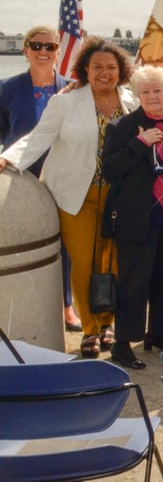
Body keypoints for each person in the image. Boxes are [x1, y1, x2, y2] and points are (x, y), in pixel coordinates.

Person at [0, 37, 137, 358]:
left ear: (121, 71)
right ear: (85, 69)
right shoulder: (66, 101)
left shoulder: (131, 100)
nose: (104, 73)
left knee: (114, 260)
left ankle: (108, 323)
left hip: (120, 195)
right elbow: (38, 138)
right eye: (97, 67)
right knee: (85, 261)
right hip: (76, 195)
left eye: (111, 67)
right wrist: (7, 158)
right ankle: (90, 328)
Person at [101, 65, 163, 368]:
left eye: (158, 91)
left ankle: (158, 334)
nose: (152, 96)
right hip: (137, 221)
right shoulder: (125, 126)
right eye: (146, 92)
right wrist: (139, 145)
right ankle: (123, 344)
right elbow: (110, 170)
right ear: (137, 95)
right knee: (133, 283)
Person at [0, 27, 76, 332]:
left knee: (65, 240)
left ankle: (66, 305)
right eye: (36, 45)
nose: (43, 51)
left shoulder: (72, 89)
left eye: (49, 45)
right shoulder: (7, 88)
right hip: (20, 176)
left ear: (58, 50)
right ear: (26, 50)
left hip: (60, 174)